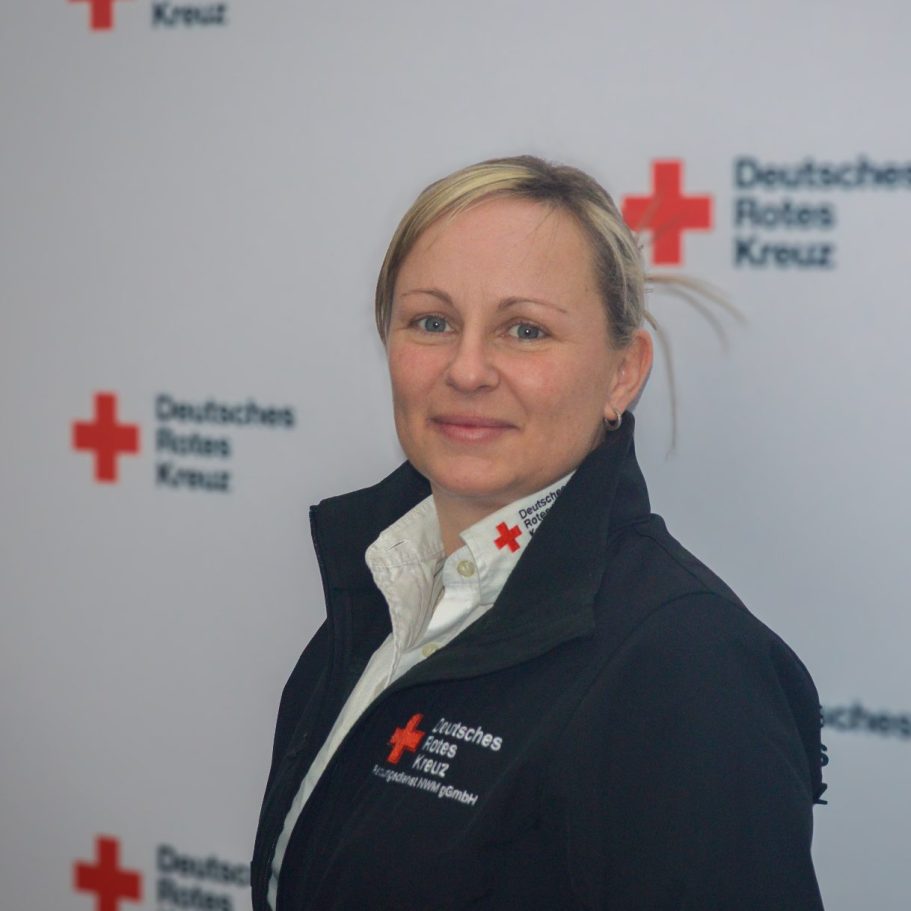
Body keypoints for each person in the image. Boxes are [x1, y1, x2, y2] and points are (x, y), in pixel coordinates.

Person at [251, 155, 826, 910]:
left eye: (525, 330)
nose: (466, 370)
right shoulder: (383, 589)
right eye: (432, 322)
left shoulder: (687, 665)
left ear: (622, 373)